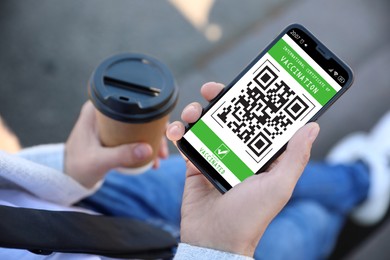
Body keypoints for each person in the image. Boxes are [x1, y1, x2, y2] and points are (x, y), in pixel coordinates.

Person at [0, 82, 387, 259]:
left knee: (225, 161)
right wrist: (218, 252)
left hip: (78, 201)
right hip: (185, 254)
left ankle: (363, 178)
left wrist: (65, 170)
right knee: (307, 225)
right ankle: (360, 184)